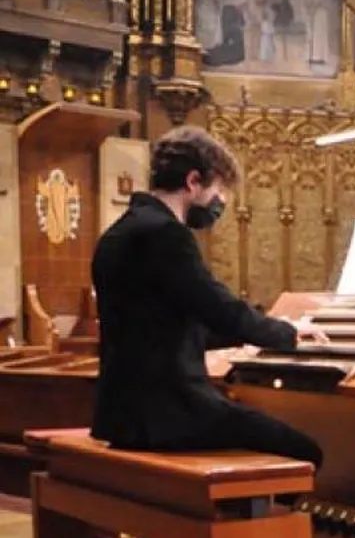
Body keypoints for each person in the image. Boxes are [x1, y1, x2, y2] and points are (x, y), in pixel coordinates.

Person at [91, 126, 324, 467]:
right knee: (306, 452)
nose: (221, 201)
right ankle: (261, 504)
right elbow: (219, 308)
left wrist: (246, 338)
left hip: (122, 415)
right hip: (170, 414)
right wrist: (286, 332)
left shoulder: (118, 233)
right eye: (218, 190)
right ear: (193, 181)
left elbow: (163, 325)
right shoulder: (166, 234)